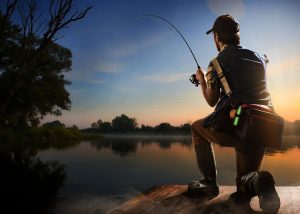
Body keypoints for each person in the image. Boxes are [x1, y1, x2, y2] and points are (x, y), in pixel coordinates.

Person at [188, 14, 280, 213]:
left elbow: (212, 100)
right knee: (243, 187)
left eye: (214, 36)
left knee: (196, 128)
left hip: (235, 124)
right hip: (263, 126)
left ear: (217, 37)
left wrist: (202, 80)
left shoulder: (216, 63)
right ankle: (259, 179)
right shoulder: (260, 57)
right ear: (237, 35)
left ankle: (209, 184)